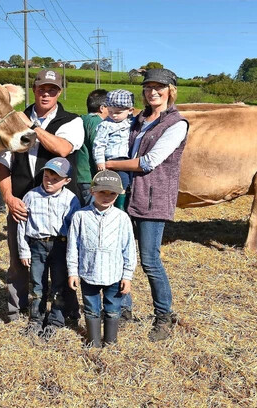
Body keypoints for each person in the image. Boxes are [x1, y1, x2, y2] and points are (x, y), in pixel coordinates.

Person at [106, 68, 188, 342]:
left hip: (154, 199)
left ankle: (163, 317)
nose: (153, 92)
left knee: (150, 260)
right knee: (120, 254)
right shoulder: (138, 120)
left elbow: (149, 161)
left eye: (159, 87)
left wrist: (108, 164)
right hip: (126, 195)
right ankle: (124, 309)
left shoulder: (177, 124)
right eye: (149, 87)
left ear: (170, 91)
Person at [0, 68, 84, 324]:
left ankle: (64, 311)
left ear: (59, 92)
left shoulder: (71, 121)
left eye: (52, 90)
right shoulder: (14, 119)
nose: (46, 94)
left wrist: (32, 127)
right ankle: (18, 310)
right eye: (42, 89)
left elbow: (62, 148)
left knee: (63, 261)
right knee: (19, 261)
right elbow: (3, 164)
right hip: (23, 203)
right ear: (34, 90)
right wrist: (10, 199)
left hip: (61, 206)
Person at [67, 170, 136, 347]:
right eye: (102, 192)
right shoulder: (80, 216)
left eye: (111, 193)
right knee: (91, 309)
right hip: (89, 273)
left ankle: (111, 342)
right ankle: (94, 342)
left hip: (114, 274)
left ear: (118, 194)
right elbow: (73, 246)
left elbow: (129, 249)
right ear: (92, 191)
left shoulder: (122, 218)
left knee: (113, 309)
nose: (106, 197)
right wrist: (73, 272)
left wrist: (127, 276)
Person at [16, 157, 80, 338]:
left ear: (66, 181)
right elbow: (22, 225)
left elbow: (75, 229)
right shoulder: (31, 196)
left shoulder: (71, 199)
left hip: (60, 246)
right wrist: (24, 250)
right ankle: (36, 319)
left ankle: (55, 321)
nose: (49, 180)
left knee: (59, 285)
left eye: (55, 178)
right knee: (37, 284)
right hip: (37, 246)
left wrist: (73, 252)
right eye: (47, 175)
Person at [93, 89, 135, 210]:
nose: (114, 115)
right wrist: (100, 161)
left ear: (130, 110)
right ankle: (118, 206)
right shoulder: (106, 125)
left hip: (128, 160)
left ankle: (124, 206)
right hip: (112, 159)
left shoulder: (131, 123)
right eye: (110, 112)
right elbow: (99, 144)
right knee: (116, 184)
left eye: (118, 112)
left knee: (127, 184)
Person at [74, 89, 108, 206]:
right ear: (102, 108)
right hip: (91, 176)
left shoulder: (80, 119)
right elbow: (97, 147)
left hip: (79, 175)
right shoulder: (97, 122)